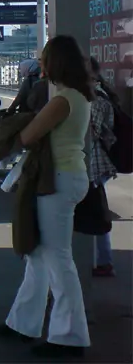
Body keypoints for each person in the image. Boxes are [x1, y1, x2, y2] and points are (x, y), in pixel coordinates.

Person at [0, 35, 93, 358]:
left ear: (56, 62)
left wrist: (10, 130)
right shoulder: (77, 97)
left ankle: (70, 336)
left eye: (45, 59)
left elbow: (29, 134)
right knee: (38, 255)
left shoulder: (63, 101)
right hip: (65, 176)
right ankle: (22, 323)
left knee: (58, 258)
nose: (42, 65)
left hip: (57, 180)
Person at [88, 57, 118, 278]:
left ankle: (103, 261)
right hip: (97, 162)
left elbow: (91, 133)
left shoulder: (96, 100)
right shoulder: (101, 96)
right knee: (95, 212)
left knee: (95, 214)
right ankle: (102, 260)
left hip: (95, 163)